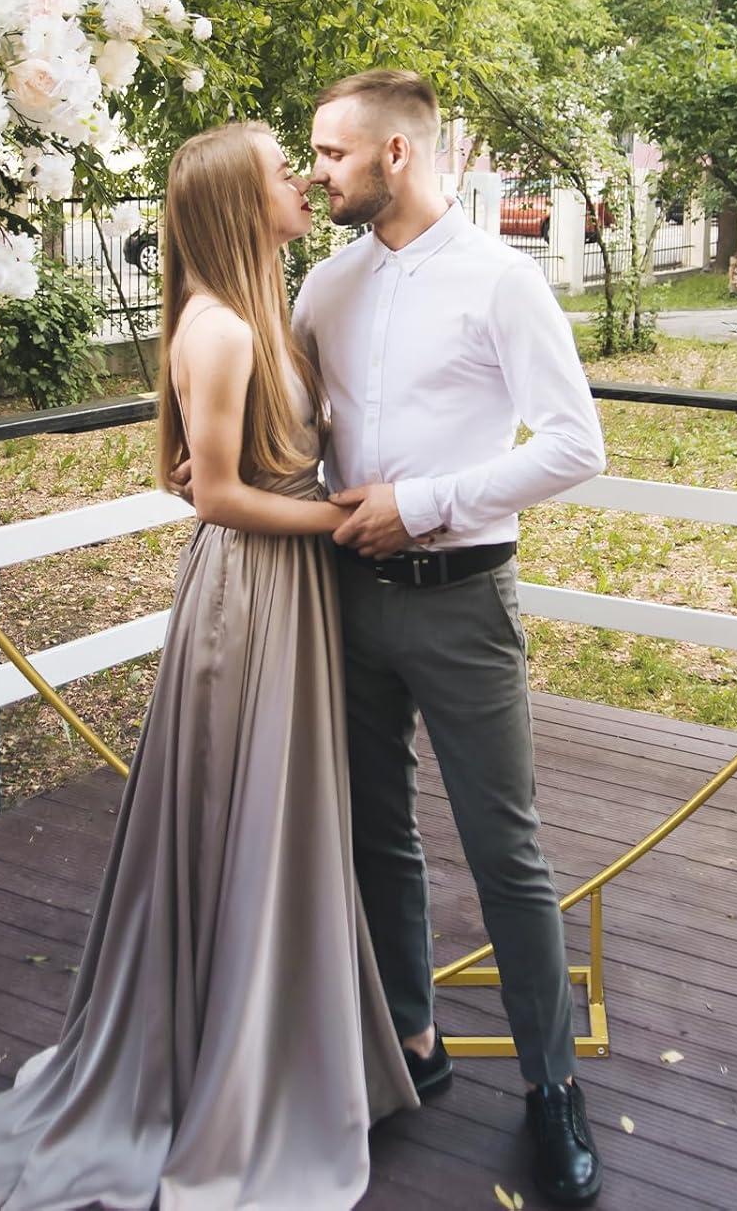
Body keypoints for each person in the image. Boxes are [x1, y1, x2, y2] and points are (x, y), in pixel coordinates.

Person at [0, 120, 418, 1211]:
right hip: (254, 593)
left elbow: (194, 468)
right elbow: (216, 496)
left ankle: (278, 1048)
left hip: (285, 587)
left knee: (278, 812)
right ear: (240, 202)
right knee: (242, 810)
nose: (302, 182)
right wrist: (341, 518)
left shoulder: (256, 312)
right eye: (281, 171)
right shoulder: (222, 329)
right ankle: (227, 1066)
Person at [297, 70, 608, 1206]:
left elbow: (576, 446)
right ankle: (411, 1046)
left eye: (331, 153)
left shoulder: (501, 280)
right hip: (344, 599)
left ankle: (551, 1087)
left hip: (465, 600)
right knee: (374, 832)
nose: (315, 174)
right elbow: (291, 430)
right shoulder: (323, 287)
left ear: (396, 154)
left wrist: (422, 504)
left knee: (505, 850)